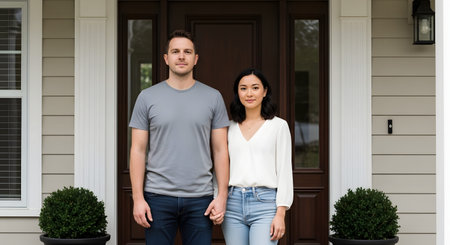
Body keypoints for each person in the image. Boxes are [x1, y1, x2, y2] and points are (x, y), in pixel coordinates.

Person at [129, 30, 230, 245]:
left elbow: (221, 150)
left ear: (195, 59)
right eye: (175, 51)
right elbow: (137, 150)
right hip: (157, 197)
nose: (181, 56)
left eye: (187, 51)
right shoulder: (147, 98)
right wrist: (138, 198)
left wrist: (222, 196)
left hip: (200, 199)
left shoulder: (213, 97)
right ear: (166, 58)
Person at [214, 68, 293, 245]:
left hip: (265, 204)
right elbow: (220, 168)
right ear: (237, 93)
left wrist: (280, 213)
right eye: (243, 88)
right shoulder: (228, 127)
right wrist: (217, 198)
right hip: (232, 204)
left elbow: (284, 171)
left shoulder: (278, 126)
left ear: (265, 91)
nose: (249, 93)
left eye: (255, 88)